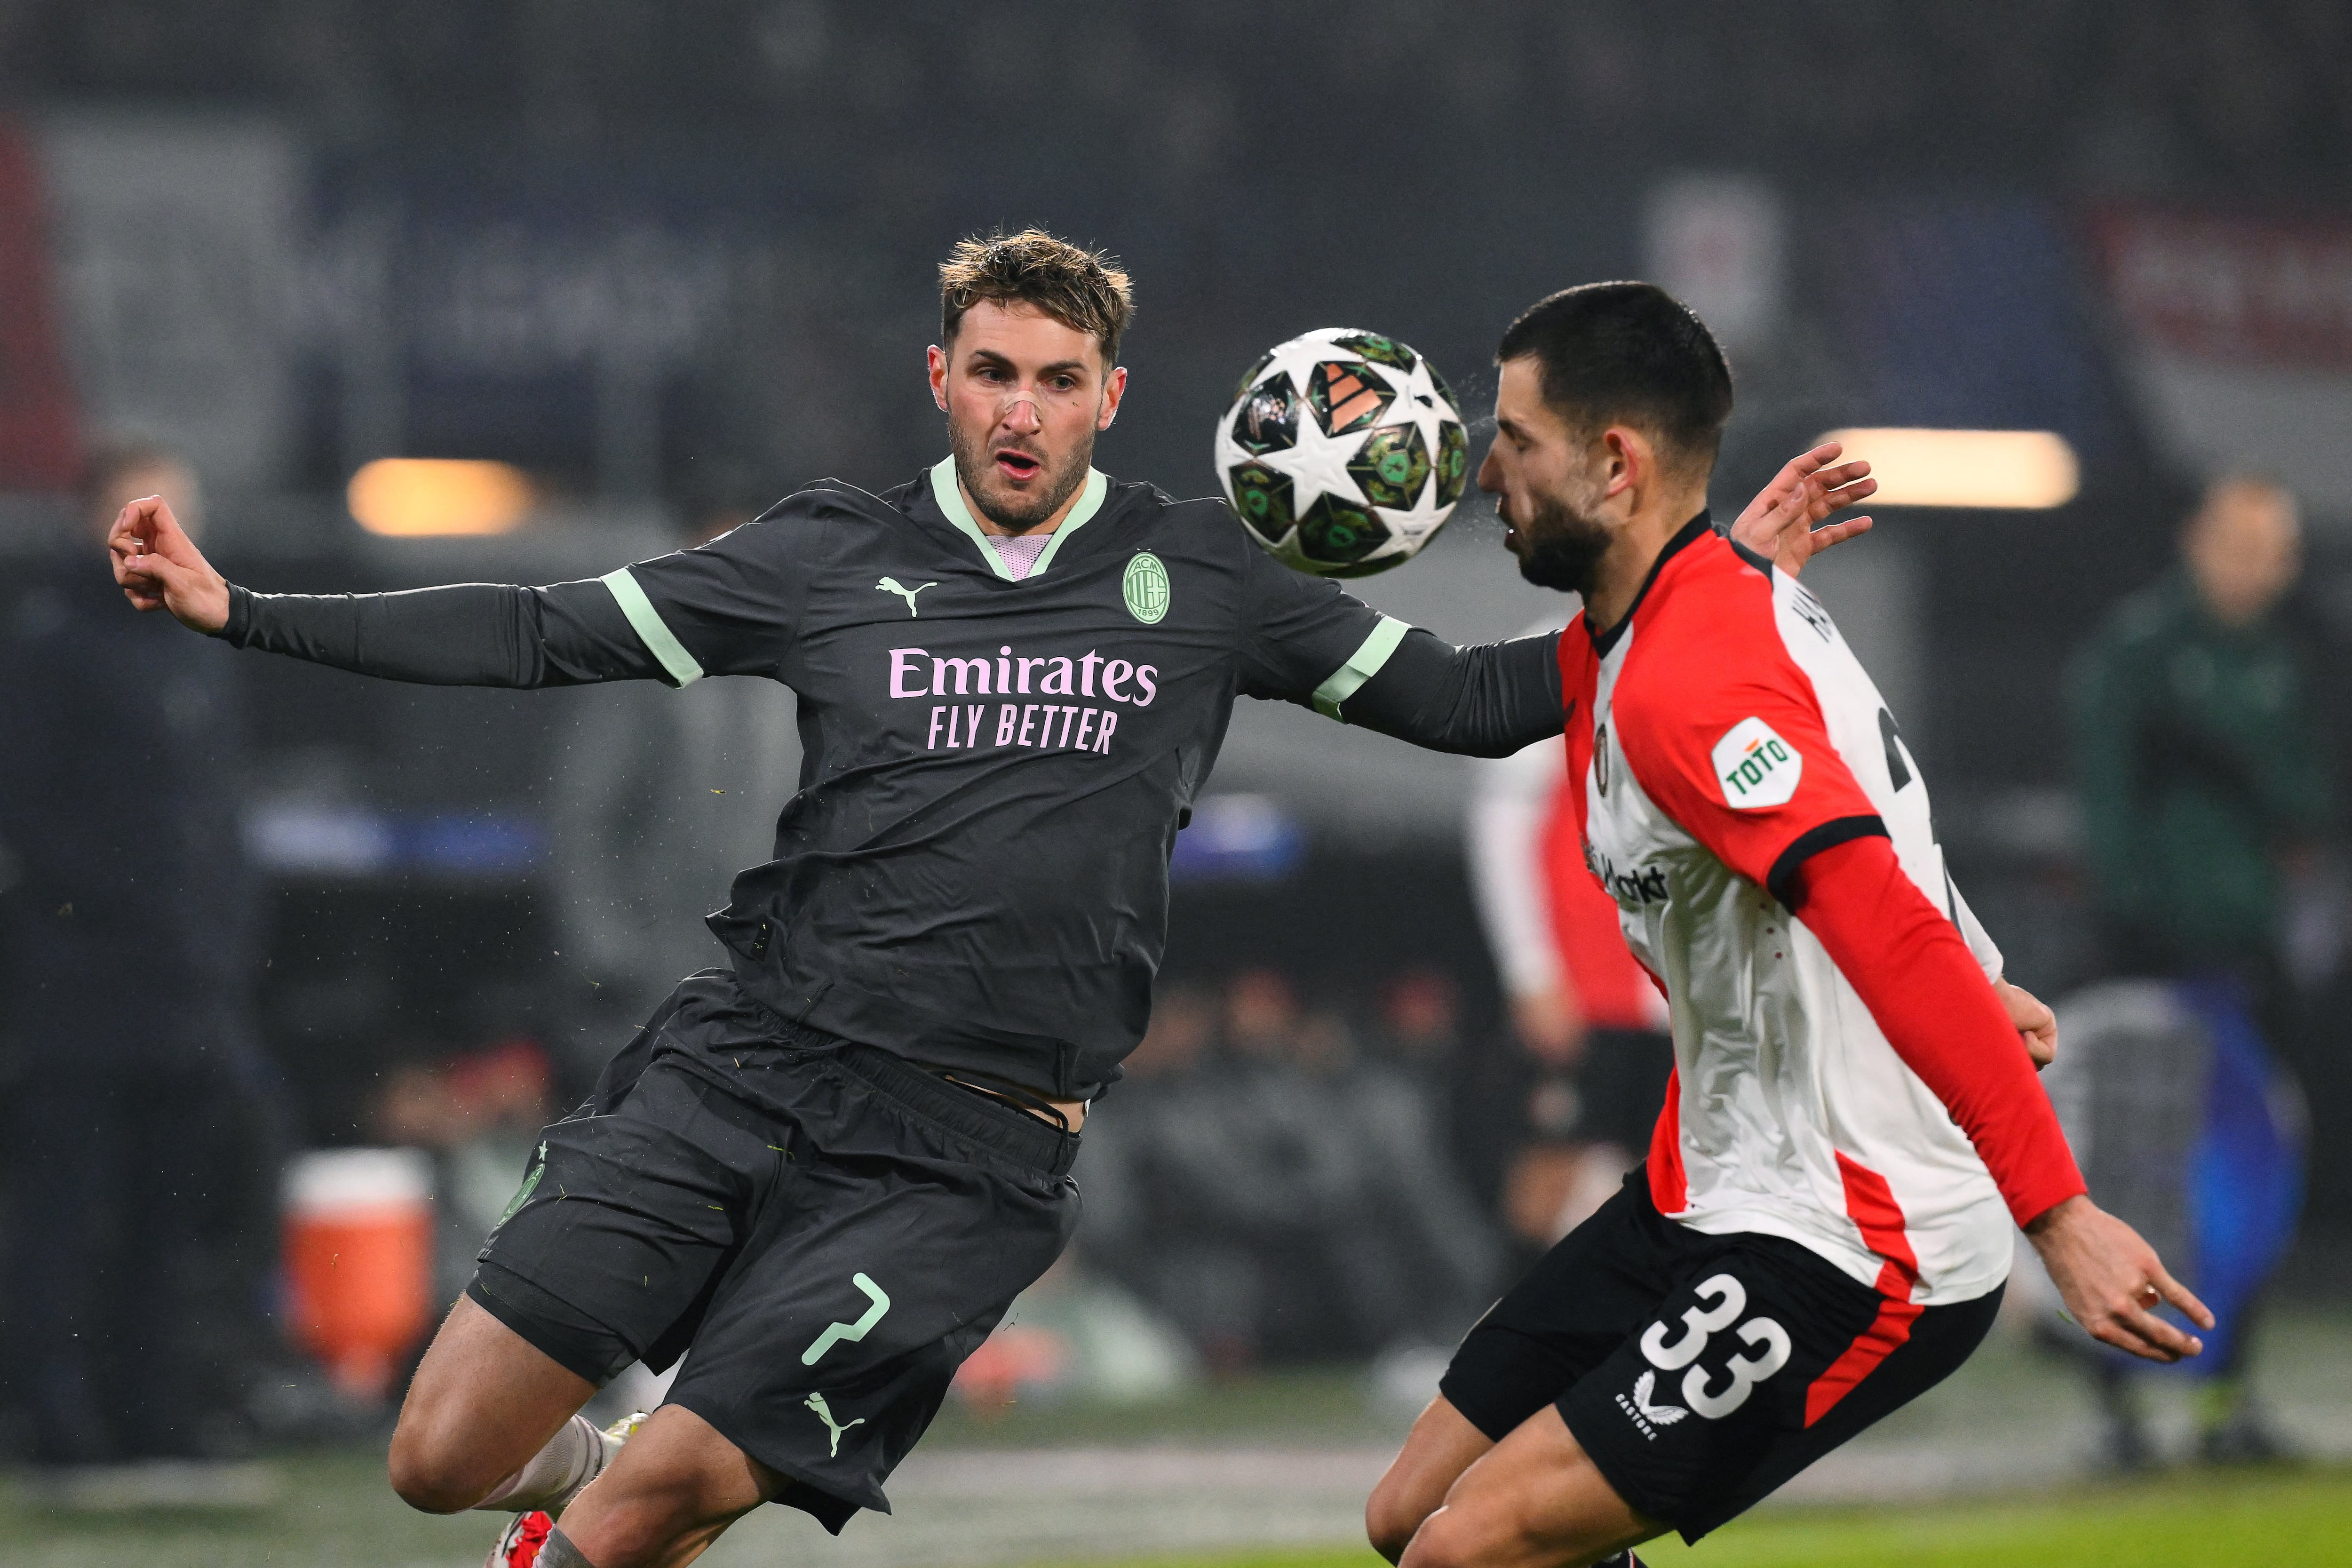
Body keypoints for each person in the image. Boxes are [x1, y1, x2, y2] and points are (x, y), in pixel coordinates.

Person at [111, 231, 1858, 1568]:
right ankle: (603, 1496)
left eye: (1060, 378)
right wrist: (237, 608)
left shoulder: (1207, 584)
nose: (1023, 407)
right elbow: (534, 631)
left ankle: (630, 1510)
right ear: (938, 378)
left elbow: (1487, 703)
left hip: (960, 1155)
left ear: (1111, 395)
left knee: (664, 1497)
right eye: (994, 372)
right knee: (436, 1455)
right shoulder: (818, 554)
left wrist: (1707, 580)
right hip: (737, 1072)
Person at [1363, 283, 2211, 1568]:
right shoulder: (1652, 624)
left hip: (1858, 1239)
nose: (1489, 470)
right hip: (1708, 1183)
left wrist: (2060, 1211)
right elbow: (1473, 699)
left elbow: (1881, 921)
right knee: (1405, 1516)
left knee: (1462, 1553)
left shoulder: (1695, 678)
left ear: (1617, 463)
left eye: (1517, 439)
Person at [0, 440, 282, 1482]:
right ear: (89, 518)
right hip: (85, 984)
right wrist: (119, 911)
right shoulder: (48, 642)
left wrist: (220, 935)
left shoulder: (196, 640)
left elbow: (218, 817)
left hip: (193, 985)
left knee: (171, 1215)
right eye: (141, 510)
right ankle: (53, 1421)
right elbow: (31, 813)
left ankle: (156, 1416)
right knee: (70, 1209)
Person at [2065, 476, 2332, 1462]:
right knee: (2134, 1173)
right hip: (2149, 965)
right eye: (2238, 543)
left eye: (2273, 549)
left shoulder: (2281, 663)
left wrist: (2232, 768)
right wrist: (2133, 928)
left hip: (2247, 962)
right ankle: (2119, 1413)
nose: (2254, 566)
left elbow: (2309, 799)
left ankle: (2229, 1404)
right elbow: (2106, 808)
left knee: (2256, 1174)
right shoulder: (2137, 653)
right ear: (2196, 541)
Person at [1468, 660, 1676, 1263]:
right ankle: (1494, 1331)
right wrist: (1529, 970)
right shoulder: (1553, 663)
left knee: (1670, 1173)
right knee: (1547, 1166)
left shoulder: (1701, 656)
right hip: (1584, 986)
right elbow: (1499, 829)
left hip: (1671, 989)